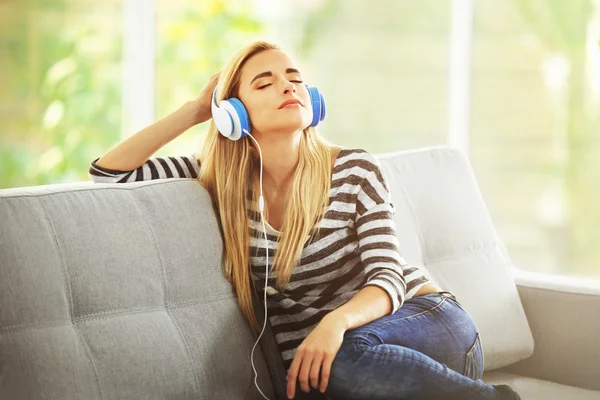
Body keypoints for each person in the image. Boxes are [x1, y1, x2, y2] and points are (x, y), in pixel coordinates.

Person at [88, 40, 521, 400]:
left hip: (428, 322)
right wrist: (196, 110)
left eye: (295, 78)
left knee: (344, 359)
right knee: (323, 377)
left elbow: (388, 277)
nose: (288, 87)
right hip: (342, 369)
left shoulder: (354, 169)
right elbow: (109, 173)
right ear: (233, 115)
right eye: (266, 82)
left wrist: (334, 323)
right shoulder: (222, 180)